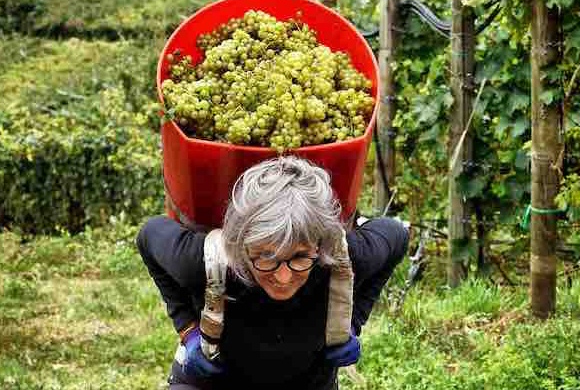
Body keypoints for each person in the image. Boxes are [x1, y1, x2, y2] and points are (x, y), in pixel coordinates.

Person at [136, 156, 408, 389]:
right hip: (217, 380)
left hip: (307, 380)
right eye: (266, 258)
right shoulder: (204, 260)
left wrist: (353, 321)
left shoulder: (342, 258)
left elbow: (396, 236)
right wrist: (187, 329)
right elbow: (148, 237)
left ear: (321, 245)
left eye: (300, 257)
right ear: (240, 245)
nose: (283, 278)